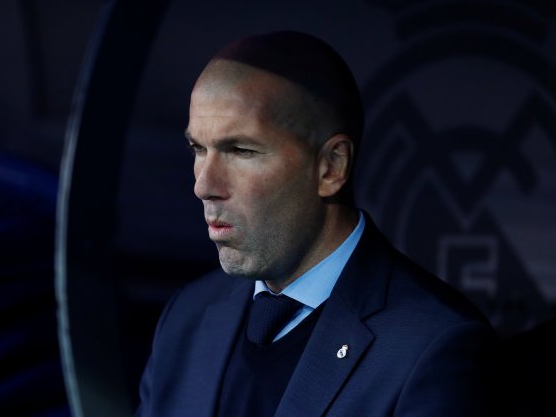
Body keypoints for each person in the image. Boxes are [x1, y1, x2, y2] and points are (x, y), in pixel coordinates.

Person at [136, 30, 497, 417]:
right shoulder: (187, 316)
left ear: (332, 166)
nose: (204, 185)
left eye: (240, 150)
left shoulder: (432, 347)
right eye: (198, 149)